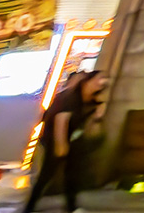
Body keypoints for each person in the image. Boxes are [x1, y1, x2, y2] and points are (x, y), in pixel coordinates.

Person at [26, 70, 107, 213]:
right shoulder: (67, 98)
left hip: (72, 140)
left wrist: (96, 116)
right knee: (46, 176)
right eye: (77, 80)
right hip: (54, 140)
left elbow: (89, 122)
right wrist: (60, 145)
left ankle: (71, 207)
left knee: (72, 176)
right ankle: (29, 208)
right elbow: (59, 120)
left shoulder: (89, 98)